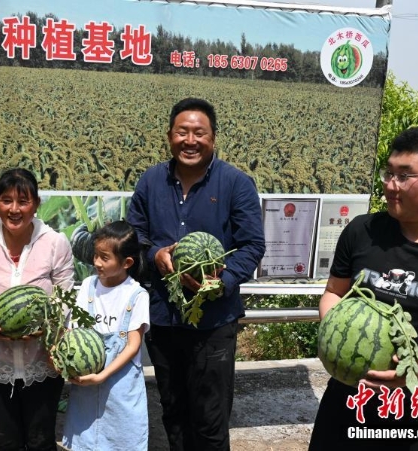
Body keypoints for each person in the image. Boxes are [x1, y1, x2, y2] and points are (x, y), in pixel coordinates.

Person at [309, 125, 418, 450]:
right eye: (388, 173)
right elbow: (334, 293)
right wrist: (336, 334)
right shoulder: (362, 232)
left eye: (404, 176)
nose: (389, 185)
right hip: (349, 409)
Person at [127, 97, 266, 451]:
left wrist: (219, 283)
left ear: (213, 138)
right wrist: (154, 254)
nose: (190, 141)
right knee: (173, 412)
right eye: (182, 132)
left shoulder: (236, 184)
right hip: (164, 317)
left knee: (210, 418)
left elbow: (252, 245)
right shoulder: (150, 181)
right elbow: (134, 237)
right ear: (169, 136)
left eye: (199, 133)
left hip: (214, 322)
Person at [0, 168, 74, 451]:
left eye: (23, 201)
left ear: (36, 203)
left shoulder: (55, 242)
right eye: (7, 200)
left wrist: (46, 324)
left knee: (41, 439)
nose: (14, 209)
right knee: (5, 440)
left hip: (43, 358)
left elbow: (64, 294)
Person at [62, 220, 150, 451]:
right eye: (95, 255)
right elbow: (74, 332)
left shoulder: (137, 295)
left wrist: (102, 376)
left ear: (127, 262)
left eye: (104, 257)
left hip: (121, 389)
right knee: (86, 443)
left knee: (122, 443)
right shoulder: (89, 286)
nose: (96, 262)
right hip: (86, 390)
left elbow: (132, 345)